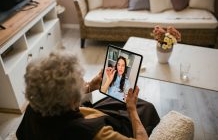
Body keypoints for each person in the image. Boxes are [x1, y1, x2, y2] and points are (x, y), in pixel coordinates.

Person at [16, 50, 160, 140]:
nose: (84, 82)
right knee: (145, 108)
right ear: (71, 99)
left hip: (77, 119)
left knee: (115, 100)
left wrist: (91, 86)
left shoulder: (34, 107)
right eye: (81, 81)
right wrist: (132, 110)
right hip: (93, 125)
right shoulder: (93, 133)